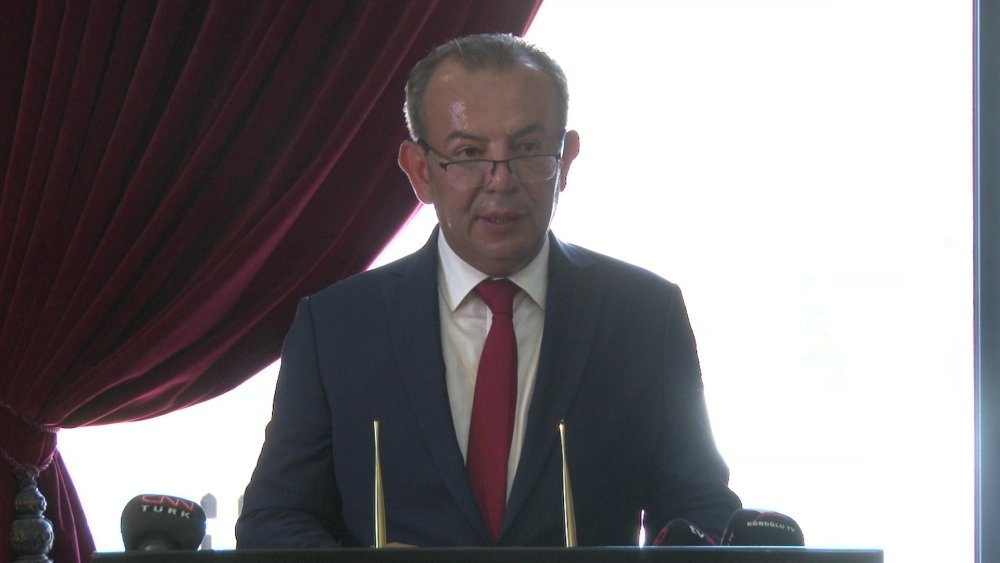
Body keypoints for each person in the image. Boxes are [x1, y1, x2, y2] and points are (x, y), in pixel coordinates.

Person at [236, 33, 740, 549]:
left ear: (566, 159)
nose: (500, 181)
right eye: (468, 153)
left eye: (527, 149)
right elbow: (274, 519)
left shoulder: (643, 316)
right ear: (420, 171)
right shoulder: (337, 325)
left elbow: (701, 507)